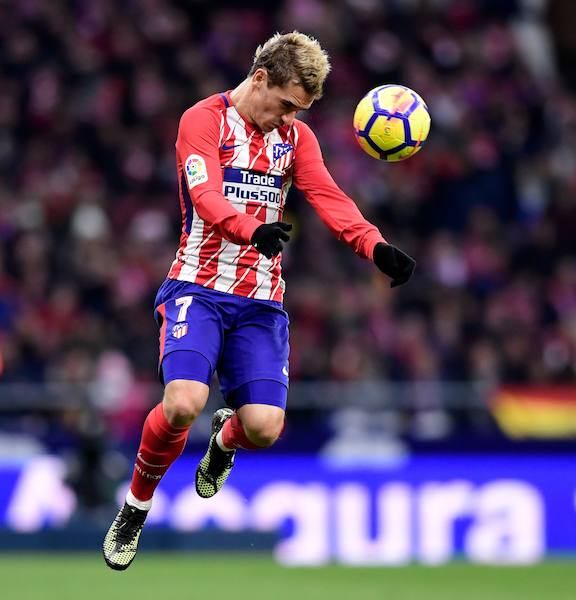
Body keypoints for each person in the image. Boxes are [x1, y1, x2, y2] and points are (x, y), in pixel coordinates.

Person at [102, 31, 416, 570]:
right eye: (288, 105)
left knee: (264, 429)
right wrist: (251, 230)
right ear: (261, 78)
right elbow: (204, 195)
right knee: (181, 403)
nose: (290, 119)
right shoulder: (201, 120)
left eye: (302, 111)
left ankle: (225, 441)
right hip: (197, 288)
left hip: (260, 302)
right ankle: (135, 506)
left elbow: (328, 198)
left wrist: (376, 246)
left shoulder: (296, 140)